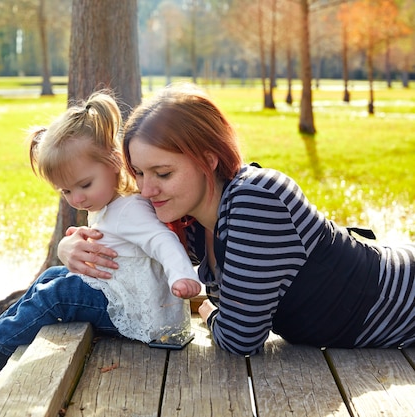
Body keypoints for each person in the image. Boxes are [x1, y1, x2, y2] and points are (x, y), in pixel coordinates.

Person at [58, 83, 415, 356]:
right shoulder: (193, 223)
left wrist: (210, 309)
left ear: (208, 160)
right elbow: (129, 254)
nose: (147, 190)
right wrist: (70, 247)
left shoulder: (256, 199)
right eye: (139, 173)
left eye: (163, 173)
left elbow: (241, 338)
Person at [0, 91, 202, 374]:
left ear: (114, 162)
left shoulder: (129, 210)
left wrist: (182, 275)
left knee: (59, 293)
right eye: (66, 191)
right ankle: (1, 324)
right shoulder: (108, 204)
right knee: (52, 275)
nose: (77, 199)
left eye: (84, 185)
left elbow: (162, 240)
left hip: (142, 315)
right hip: (124, 295)